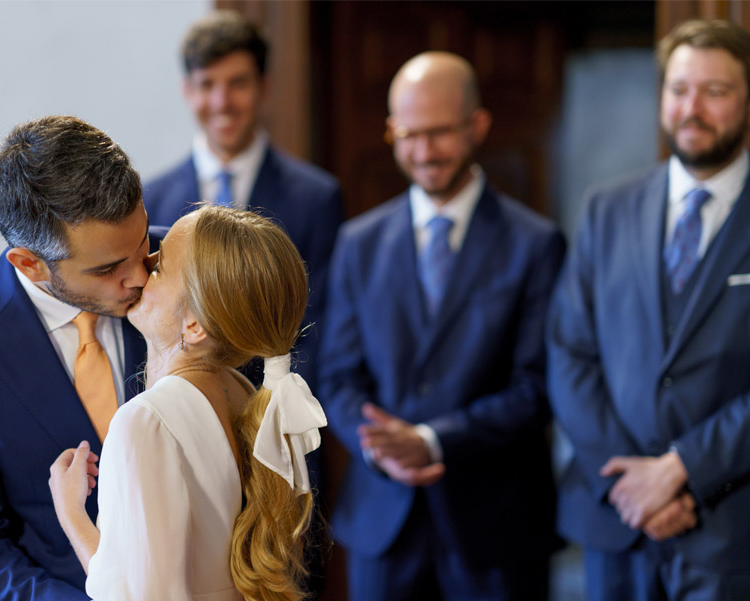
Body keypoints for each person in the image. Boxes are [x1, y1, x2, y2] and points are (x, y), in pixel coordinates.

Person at [319, 51, 565, 601]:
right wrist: (378, 444)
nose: (425, 152)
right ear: (390, 131)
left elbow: (537, 388)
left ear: (476, 126)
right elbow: (337, 376)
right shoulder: (359, 243)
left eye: (440, 133)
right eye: (409, 134)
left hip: (495, 526)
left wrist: (431, 441)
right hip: (383, 522)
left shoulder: (535, 244)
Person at [0, 115, 154, 600]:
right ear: (29, 263)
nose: (140, 277)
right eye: (107, 269)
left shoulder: (190, 266)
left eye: (141, 242)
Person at [547, 19, 750, 601]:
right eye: (680, 89)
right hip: (618, 520)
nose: (694, 108)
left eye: (716, 91)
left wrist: (681, 468)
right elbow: (570, 351)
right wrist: (632, 483)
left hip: (731, 523)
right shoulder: (607, 209)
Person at [48, 206, 327, 601]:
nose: (142, 271)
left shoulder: (146, 422)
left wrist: (71, 513)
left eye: (159, 267)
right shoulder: (242, 390)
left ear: (194, 325)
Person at [142, 9, 343, 395]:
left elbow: (318, 329)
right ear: (187, 90)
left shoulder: (316, 198)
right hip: (178, 409)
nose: (222, 101)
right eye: (207, 84)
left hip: (276, 416)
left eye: (238, 83)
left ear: (264, 87)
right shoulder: (153, 198)